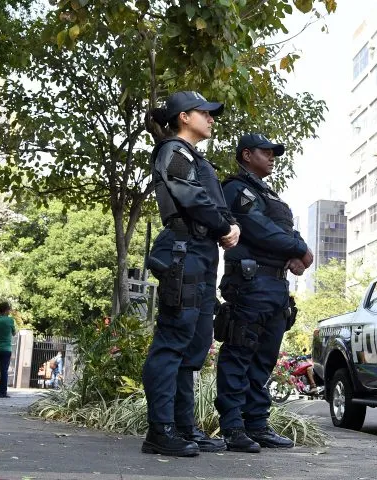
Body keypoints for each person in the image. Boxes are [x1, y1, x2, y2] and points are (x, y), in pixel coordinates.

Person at [141, 91, 240, 457]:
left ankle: (184, 427)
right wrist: (224, 226)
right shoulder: (174, 151)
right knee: (172, 343)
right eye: (205, 113)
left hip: (200, 255)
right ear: (184, 117)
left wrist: (225, 227)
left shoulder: (194, 156)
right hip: (185, 251)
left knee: (193, 346)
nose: (212, 119)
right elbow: (191, 197)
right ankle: (160, 430)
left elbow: (207, 199)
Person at [215, 133, 313, 453]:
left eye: (274, 153)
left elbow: (284, 230)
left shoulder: (268, 193)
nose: (273, 157)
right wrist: (300, 249)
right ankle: (232, 427)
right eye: (266, 152)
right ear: (246, 154)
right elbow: (258, 228)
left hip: (275, 286)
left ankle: (256, 424)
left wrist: (297, 255)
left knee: (264, 360)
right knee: (239, 354)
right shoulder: (236, 188)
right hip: (250, 283)